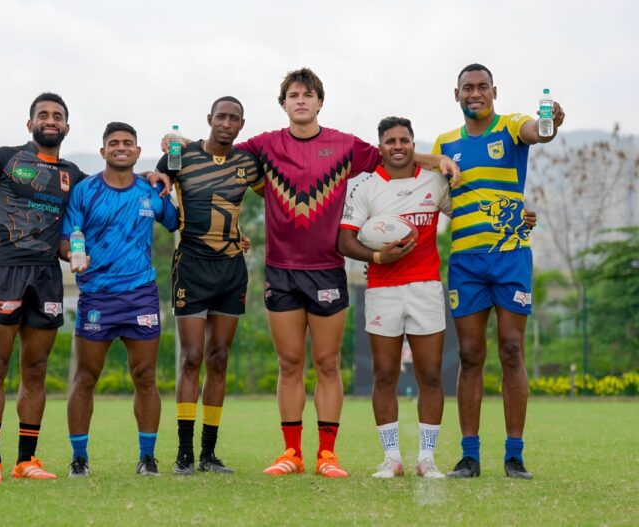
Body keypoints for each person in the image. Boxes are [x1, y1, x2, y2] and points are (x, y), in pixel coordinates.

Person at [231, 68, 460, 478]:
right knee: (289, 363)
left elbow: (395, 155)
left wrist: (437, 160)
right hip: (280, 270)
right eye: (293, 95)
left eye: (308, 95)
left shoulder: (344, 145)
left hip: (327, 270)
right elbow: (222, 155)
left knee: (327, 363)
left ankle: (327, 455)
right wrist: (179, 148)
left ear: (320, 102)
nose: (301, 101)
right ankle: (291, 453)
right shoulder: (263, 145)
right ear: (283, 104)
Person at [432, 63, 565, 479]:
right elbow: (438, 199)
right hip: (466, 261)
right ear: (456, 95)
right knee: (470, 355)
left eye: (482, 87)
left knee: (511, 349)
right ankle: (469, 456)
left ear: (494, 91)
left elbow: (537, 132)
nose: (475, 93)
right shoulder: (445, 143)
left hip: (511, 257)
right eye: (467, 88)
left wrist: (551, 124)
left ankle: (514, 455)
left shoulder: (510, 126)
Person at [0, 92, 85, 482]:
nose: (50, 120)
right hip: (6, 270)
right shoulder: (6, 158)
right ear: (30, 124)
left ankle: (27, 460)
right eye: (43, 114)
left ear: (67, 126)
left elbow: (108, 194)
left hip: (47, 276)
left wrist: (156, 175)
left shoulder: (74, 175)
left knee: (36, 370)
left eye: (58, 115)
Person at [338, 116, 452, 479]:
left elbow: (465, 214)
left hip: (426, 288)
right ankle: (391, 459)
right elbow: (344, 240)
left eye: (404, 140)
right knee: (385, 374)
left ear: (413, 145)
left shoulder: (435, 181)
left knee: (430, 375)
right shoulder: (366, 187)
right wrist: (377, 257)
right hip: (382, 291)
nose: (398, 146)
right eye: (391, 141)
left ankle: (427, 458)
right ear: (381, 147)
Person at [62, 122, 179, 477]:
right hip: (97, 296)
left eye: (128, 142)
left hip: (141, 294)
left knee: (145, 376)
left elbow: (176, 222)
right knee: (85, 377)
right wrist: (72, 255)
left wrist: (170, 182)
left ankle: (148, 458)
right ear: (103, 151)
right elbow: (67, 239)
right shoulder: (84, 191)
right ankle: (79, 459)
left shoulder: (149, 190)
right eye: (113, 143)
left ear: (138, 152)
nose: (121, 147)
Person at [155, 96, 264, 476]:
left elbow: (274, 196)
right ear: (209, 119)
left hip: (231, 269)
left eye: (234, 118)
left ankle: (208, 454)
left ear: (241, 124)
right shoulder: (181, 156)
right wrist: (161, 160)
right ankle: (184, 453)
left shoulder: (248, 163)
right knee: (191, 357)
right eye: (221, 117)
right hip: (191, 266)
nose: (226, 123)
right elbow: (155, 182)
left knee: (219, 358)